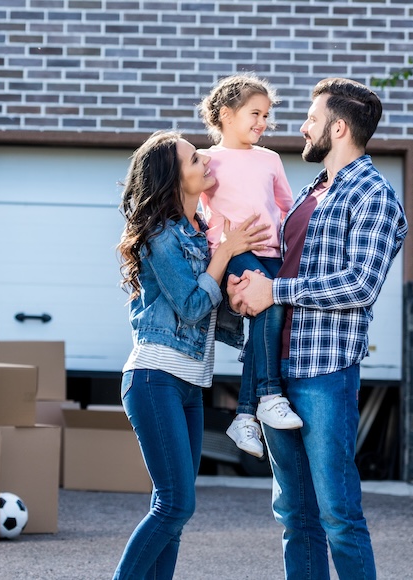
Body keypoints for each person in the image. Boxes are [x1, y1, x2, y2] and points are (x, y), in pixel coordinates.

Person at [228, 78, 408, 579]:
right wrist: (246, 288)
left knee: (338, 514)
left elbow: (359, 285)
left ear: (340, 126)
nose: (302, 127)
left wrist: (275, 293)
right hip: (275, 374)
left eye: (312, 118)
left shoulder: (373, 194)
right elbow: (278, 267)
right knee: (294, 514)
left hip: (324, 371)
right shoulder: (311, 191)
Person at [114, 130, 269, 580]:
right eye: (194, 159)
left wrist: (242, 292)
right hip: (154, 378)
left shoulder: (198, 233)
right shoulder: (160, 236)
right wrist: (224, 255)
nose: (206, 162)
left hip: (190, 385)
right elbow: (192, 304)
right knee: (175, 504)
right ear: (172, 177)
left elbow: (213, 311)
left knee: (173, 515)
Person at [197, 73, 303, 462]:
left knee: (268, 317)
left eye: (266, 116)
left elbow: (286, 208)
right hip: (234, 252)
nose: (262, 122)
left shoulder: (270, 159)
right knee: (269, 306)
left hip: (271, 252)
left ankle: (244, 415)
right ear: (226, 115)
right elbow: (189, 200)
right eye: (254, 113)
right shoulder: (207, 160)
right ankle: (269, 395)